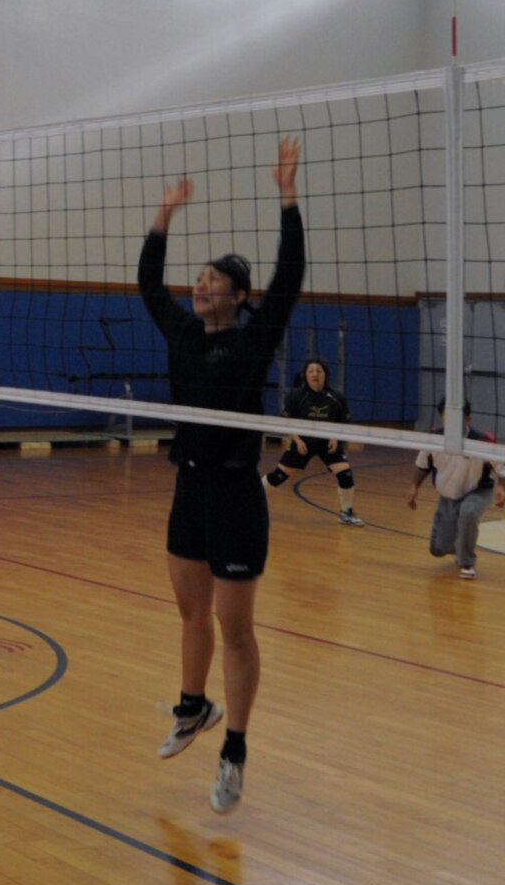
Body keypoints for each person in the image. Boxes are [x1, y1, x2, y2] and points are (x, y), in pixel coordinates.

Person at [139, 137, 305, 815]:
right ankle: (191, 706)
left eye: (213, 281)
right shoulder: (183, 334)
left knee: (237, 629)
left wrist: (287, 197)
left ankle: (234, 747)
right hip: (189, 487)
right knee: (190, 613)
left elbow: (289, 276)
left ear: (238, 297)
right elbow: (151, 285)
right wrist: (163, 215)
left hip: (238, 493)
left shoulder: (253, 337)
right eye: (199, 278)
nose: (200, 285)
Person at [406, 400, 505, 580]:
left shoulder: (483, 441)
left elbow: (504, 470)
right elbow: (422, 466)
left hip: (478, 490)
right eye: (447, 415)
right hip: (448, 495)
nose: (451, 420)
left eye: (457, 416)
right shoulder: (433, 439)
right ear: (442, 417)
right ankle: (460, 542)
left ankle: (467, 563)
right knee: (438, 549)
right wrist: (414, 486)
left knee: (468, 512)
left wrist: (501, 487)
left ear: (467, 419)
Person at [263, 357, 360, 526]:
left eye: (319, 371)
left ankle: (347, 513)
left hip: (327, 444)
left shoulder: (337, 397)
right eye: (311, 371)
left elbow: (343, 422)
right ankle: (250, 501)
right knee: (278, 477)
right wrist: (297, 440)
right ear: (305, 376)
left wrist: (335, 436)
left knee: (345, 474)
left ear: (325, 375)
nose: (315, 374)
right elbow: (287, 421)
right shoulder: (296, 396)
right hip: (303, 443)